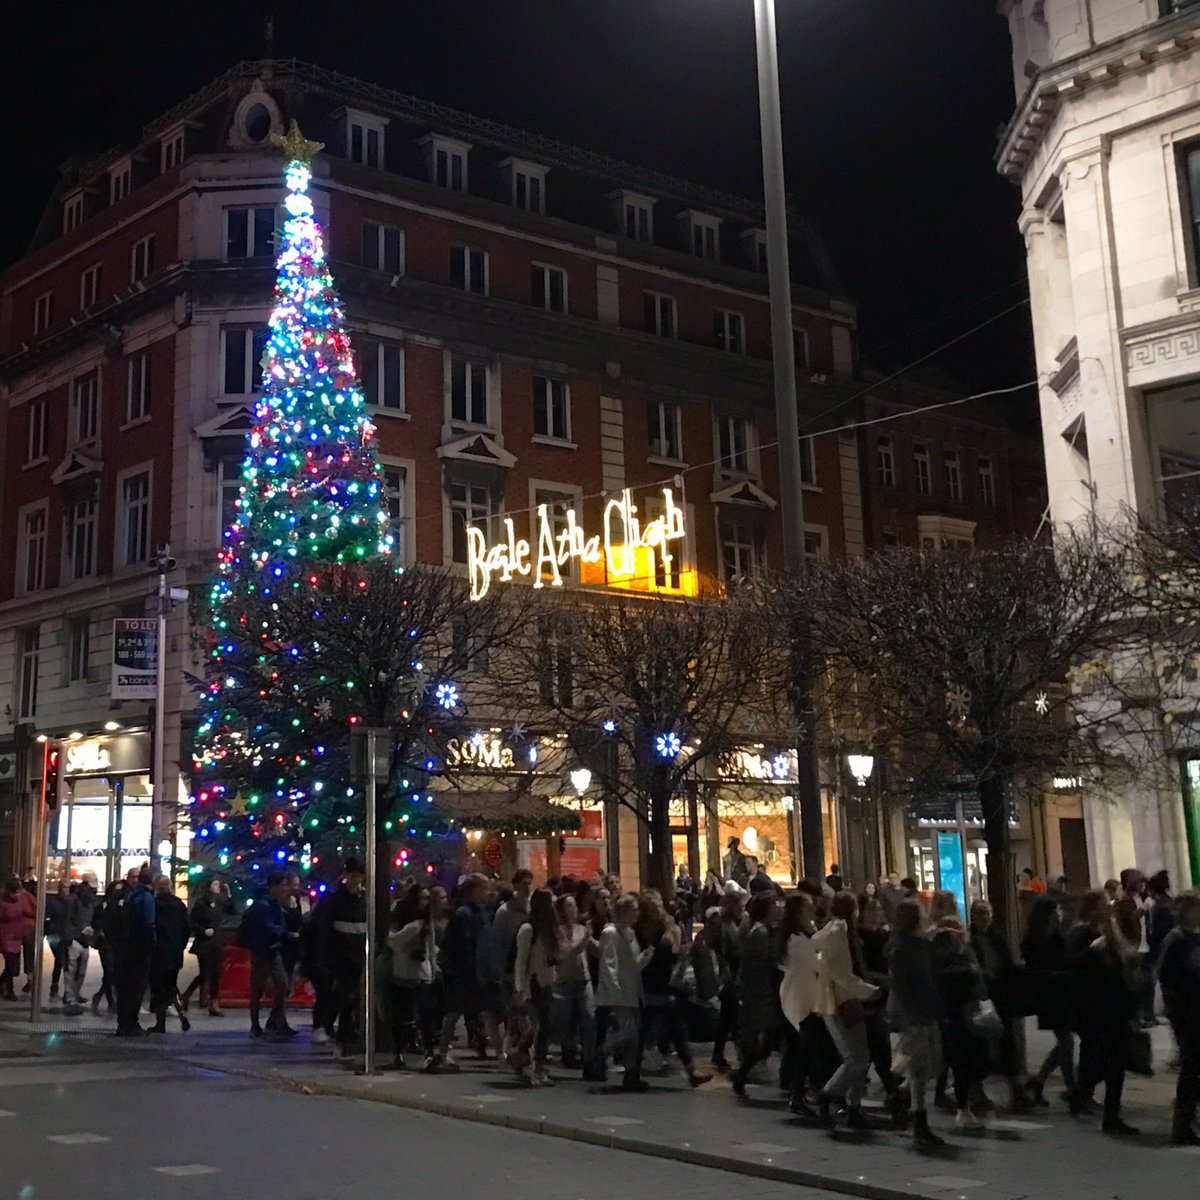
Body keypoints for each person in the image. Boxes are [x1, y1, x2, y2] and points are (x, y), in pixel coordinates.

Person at [1069, 892, 1139, 1135]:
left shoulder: (1109, 930)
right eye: (1103, 904)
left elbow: (1121, 963)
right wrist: (1092, 950)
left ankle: (1108, 1112)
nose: (1108, 908)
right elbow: (1074, 966)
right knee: (1104, 1060)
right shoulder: (1082, 933)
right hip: (1096, 1008)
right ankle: (1081, 1093)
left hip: (1114, 1006)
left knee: (1115, 1063)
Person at [813, 890, 880, 1129]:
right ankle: (829, 1095)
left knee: (857, 1057)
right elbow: (839, 971)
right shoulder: (840, 933)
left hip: (841, 999)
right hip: (843, 1000)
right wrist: (866, 989)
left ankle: (852, 1105)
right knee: (858, 1058)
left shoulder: (836, 931)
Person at [887, 899, 946, 1148]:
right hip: (913, 1014)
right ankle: (919, 1121)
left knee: (933, 1064)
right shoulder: (901, 950)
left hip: (927, 1008)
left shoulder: (922, 945)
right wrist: (909, 1016)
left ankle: (900, 1096)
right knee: (919, 1069)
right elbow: (901, 985)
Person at [433, 875, 502, 1072]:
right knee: (457, 1013)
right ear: (473, 891)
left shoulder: (482, 912)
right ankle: (443, 1052)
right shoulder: (465, 914)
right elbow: (465, 945)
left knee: (484, 1013)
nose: (487, 892)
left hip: (476, 971)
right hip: (466, 972)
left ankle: (498, 1053)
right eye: (483, 889)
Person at [931, 908, 990, 1129]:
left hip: (967, 1012)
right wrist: (969, 972)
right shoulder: (944, 958)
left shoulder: (966, 953)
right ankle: (963, 1108)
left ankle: (964, 1101)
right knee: (958, 1062)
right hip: (954, 1016)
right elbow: (946, 981)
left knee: (963, 1061)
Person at [968, 899, 1028, 1112]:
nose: (984, 918)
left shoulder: (997, 938)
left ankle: (1016, 1088)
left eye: (987, 914)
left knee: (1008, 1042)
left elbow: (1008, 962)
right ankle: (976, 1091)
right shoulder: (969, 940)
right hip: (983, 996)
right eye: (980, 914)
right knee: (982, 1045)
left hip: (1001, 994)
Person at [1021, 896, 1079, 1111]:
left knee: (1064, 1043)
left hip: (1061, 992)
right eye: (1055, 911)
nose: (1059, 914)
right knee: (1066, 1043)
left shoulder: (1057, 936)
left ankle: (1039, 1081)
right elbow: (1033, 968)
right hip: (1049, 995)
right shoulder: (1035, 940)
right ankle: (1072, 1091)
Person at [596, 894, 655, 1091]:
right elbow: (608, 963)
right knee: (628, 1031)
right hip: (621, 991)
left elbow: (632, 965)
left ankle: (631, 1074)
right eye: (634, 910)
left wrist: (644, 959)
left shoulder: (629, 933)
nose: (637, 914)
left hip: (632, 990)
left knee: (634, 1036)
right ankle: (603, 1049)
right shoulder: (611, 933)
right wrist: (614, 989)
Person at [1158, 891, 1200, 1145]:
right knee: (1191, 1067)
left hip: (1195, 1008)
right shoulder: (1176, 939)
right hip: (1186, 1012)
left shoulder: (1194, 937)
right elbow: (1164, 974)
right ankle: (1182, 1124)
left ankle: (1188, 1117)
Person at [731, 893, 781, 1096]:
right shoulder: (760, 933)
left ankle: (742, 1073)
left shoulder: (764, 931)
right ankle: (742, 1073)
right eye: (774, 905)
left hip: (761, 992)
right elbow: (760, 965)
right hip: (761, 993)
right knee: (768, 1035)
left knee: (769, 1037)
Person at [512, 888, 563, 1086]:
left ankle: (522, 1056)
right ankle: (536, 1066)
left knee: (543, 1026)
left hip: (547, 981)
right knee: (540, 1026)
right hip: (533, 983)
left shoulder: (549, 929)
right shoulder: (528, 929)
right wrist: (520, 988)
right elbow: (521, 961)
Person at [778, 892, 821, 1120]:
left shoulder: (800, 935)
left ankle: (800, 1091)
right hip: (801, 995)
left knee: (802, 1047)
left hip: (803, 993)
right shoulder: (796, 940)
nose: (811, 912)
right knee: (802, 1047)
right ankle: (797, 1094)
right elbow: (815, 963)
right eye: (807, 908)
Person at [386, 884, 436, 1070]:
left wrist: (432, 966)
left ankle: (428, 1051)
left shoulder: (426, 921)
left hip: (422, 973)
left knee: (425, 1014)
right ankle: (398, 1051)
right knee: (399, 1015)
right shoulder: (404, 918)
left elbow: (431, 945)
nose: (424, 903)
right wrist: (413, 928)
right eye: (421, 899)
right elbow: (393, 940)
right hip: (402, 971)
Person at [241, 872, 295, 1041]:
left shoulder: (274, 904)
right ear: (274, 887)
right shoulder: (263, 905)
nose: (286, 889)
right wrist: (285, 933)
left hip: (272, 949)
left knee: (282, 984)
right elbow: (269, 927)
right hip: (262, 950)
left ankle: (271, 1021)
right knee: (258, 987)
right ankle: (255, 1025)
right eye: (283, 885)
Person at [322, 859, 367, 1055]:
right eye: (352, 875)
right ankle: (341, 1035)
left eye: (358, 875)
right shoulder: (334, 900)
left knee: (353, 997)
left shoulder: (364, 899)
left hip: (359, 954)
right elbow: (326, 929)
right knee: (347, 996)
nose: (355, 879)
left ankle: (344, 1031)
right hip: (341, 954)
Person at [554, 893, 600, 1078]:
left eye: (574, 906)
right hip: (564, 981)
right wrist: (587, 937)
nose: (573, 910)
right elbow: (571, 950)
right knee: (563, 1021)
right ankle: (568, 1051)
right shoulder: (558, 931)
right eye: (569, 906)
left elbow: (594, 949)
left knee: (589, 1018)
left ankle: (589, 1060)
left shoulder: (582, 929)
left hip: (583, 980)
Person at [112, 867, 157, 1037]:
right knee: (137, 987)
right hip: (139, 948)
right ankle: (131, 1023)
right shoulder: (146, 897)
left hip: (124, 947)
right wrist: (151, 942)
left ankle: (123, 1023)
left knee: (125, 987)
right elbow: (148, 923)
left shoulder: (129, 896)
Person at [149, 876, 190, 1033]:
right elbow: (186, 928)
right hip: (175, 953)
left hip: (159, 952)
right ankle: (181, 1014)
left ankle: (161, 1023)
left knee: (159, 988)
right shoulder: (178, 904)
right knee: (171, 985)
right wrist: (180, 946)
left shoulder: (155, 904)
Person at [181, 878, 228, 1016]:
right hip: (204, 943)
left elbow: (234, 910)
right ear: (209, 887)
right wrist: (203, 930)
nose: (217, 887)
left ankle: (213, 1002)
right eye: (215, 884)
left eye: (218, 884)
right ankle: (189, 995)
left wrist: (229, 895)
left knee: (216, 973)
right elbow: (193, 922)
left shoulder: (220, 901)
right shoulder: (201, 903)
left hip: (216, 942)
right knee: (205, 973)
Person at [60, 878, 99, 1014]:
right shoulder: (76, 903)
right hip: (76, 939)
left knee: (79, 971)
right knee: (72, 971)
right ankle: (71, 996)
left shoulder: (88, 905)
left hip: (83, 939)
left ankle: (74, 994)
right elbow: (67, 922)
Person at [1, 877, 29, 1000]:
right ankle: (10, 991)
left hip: (17, 937)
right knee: (10, 964)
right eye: (16, 891)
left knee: (12, 965)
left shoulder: (19, 901)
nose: (18, 894)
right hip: (7, 937)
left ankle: (3, 985)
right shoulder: (3, 904)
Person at [44, 880, 71, 999]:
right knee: (61, 959)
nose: (66, 890)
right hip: (55, 934)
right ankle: (56, 987)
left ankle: (57, 988)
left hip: (64, 934)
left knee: (62, 960)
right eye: (64, 887)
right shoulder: (54, 902)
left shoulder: (70, 902)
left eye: (67, 888)